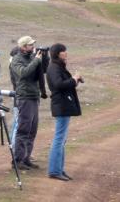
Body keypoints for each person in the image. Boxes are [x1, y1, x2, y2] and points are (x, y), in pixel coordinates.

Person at [47, 43, 82, 181]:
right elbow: (58, 85)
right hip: (61, 105)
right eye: (63, 51)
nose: (66, 53)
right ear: (57, 53)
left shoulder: (57, 66)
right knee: (59, 138)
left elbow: (62, 83)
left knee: (62, 139)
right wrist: (73, 79)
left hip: (63, 104)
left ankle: (59, 169)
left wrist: (74, 81)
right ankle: (55, 171)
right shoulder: (54, 67)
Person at [9, 36, 43, 170]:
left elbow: (41, 71)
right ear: (23, 47)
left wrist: (42, 58)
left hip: (33, 96)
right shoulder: (17, 60)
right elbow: (23, 73)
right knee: (23, 129)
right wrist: (36, 60)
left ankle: (26, 158)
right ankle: (17, 160)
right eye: (30, 45)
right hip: (24, 97)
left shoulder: (31, 57)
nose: (32, 47)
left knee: (32, 129)